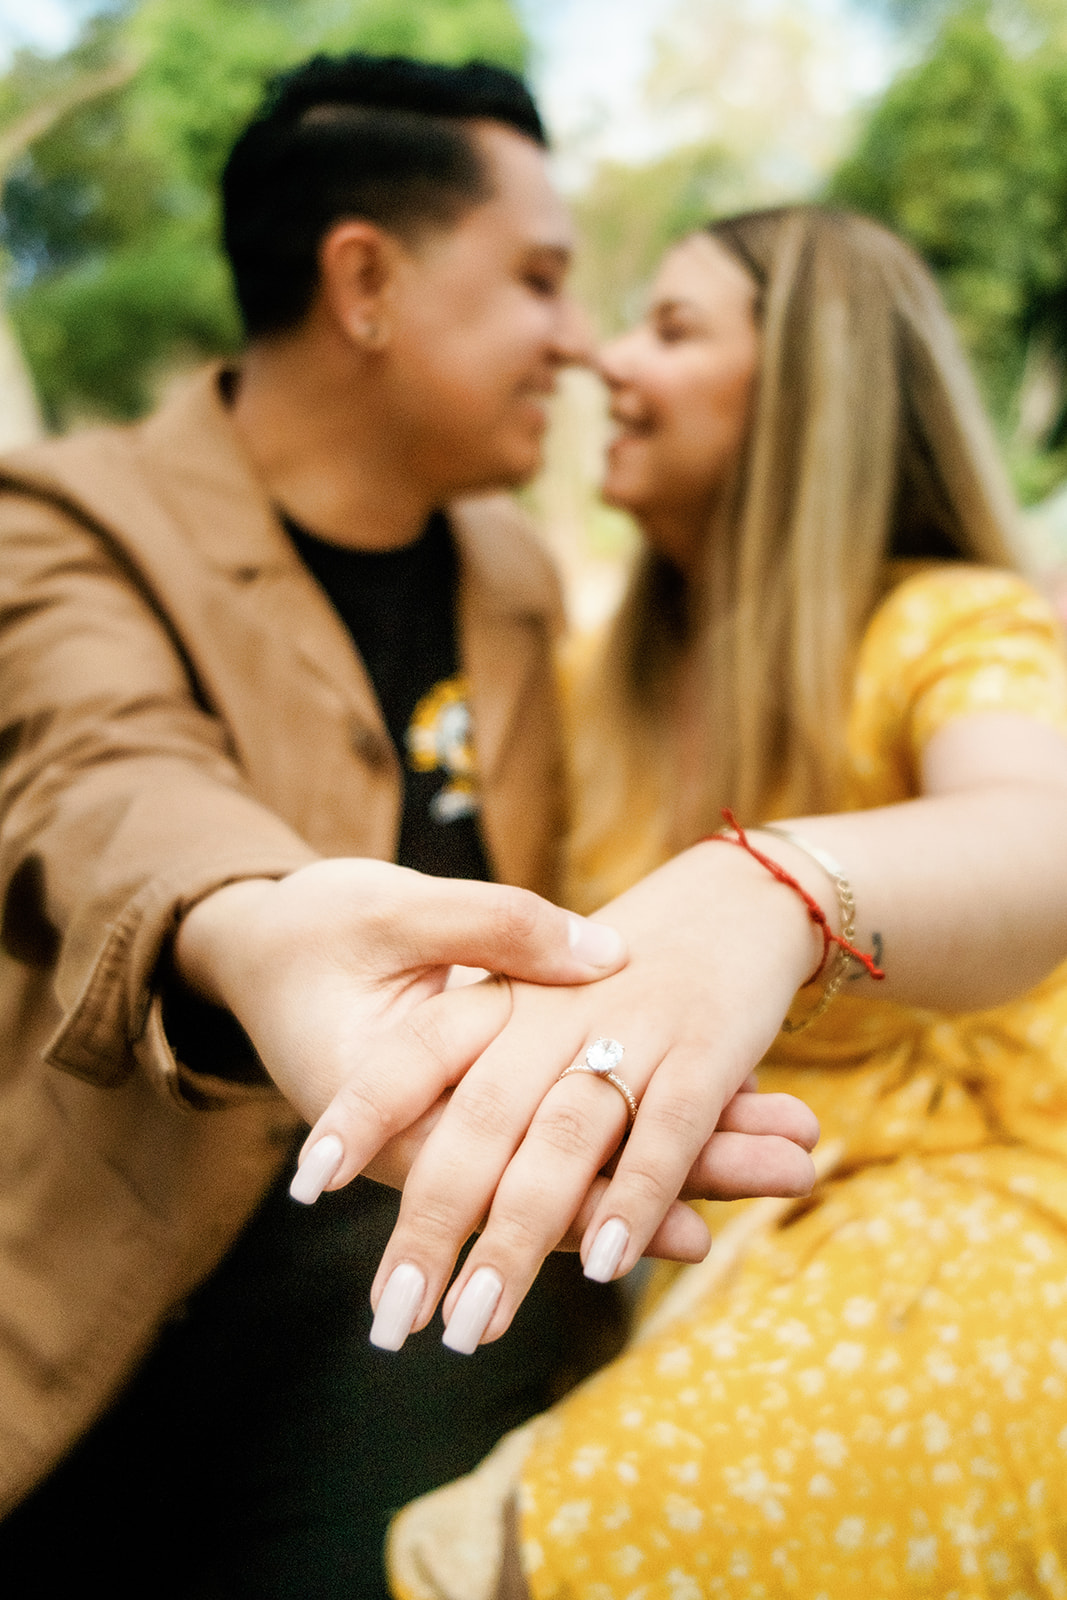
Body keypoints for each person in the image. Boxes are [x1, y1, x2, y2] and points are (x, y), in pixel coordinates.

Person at [0, 59, 814, 1599]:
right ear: (364, 282)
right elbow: (97, 771)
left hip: (431, 1284)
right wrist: (248, 923)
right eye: (539, 280)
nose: (578, 344)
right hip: (130, 1289)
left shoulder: (512, 566)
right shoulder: (60, 520)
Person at [375, 206, 1067, 1598]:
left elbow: (1041, 833)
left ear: (813, 388)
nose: (602, 359)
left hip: (974, 1209)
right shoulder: (590, 684)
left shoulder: (947, 623)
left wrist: (778, 889)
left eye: (671, 329)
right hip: (696, 1243)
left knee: (535, 1560)